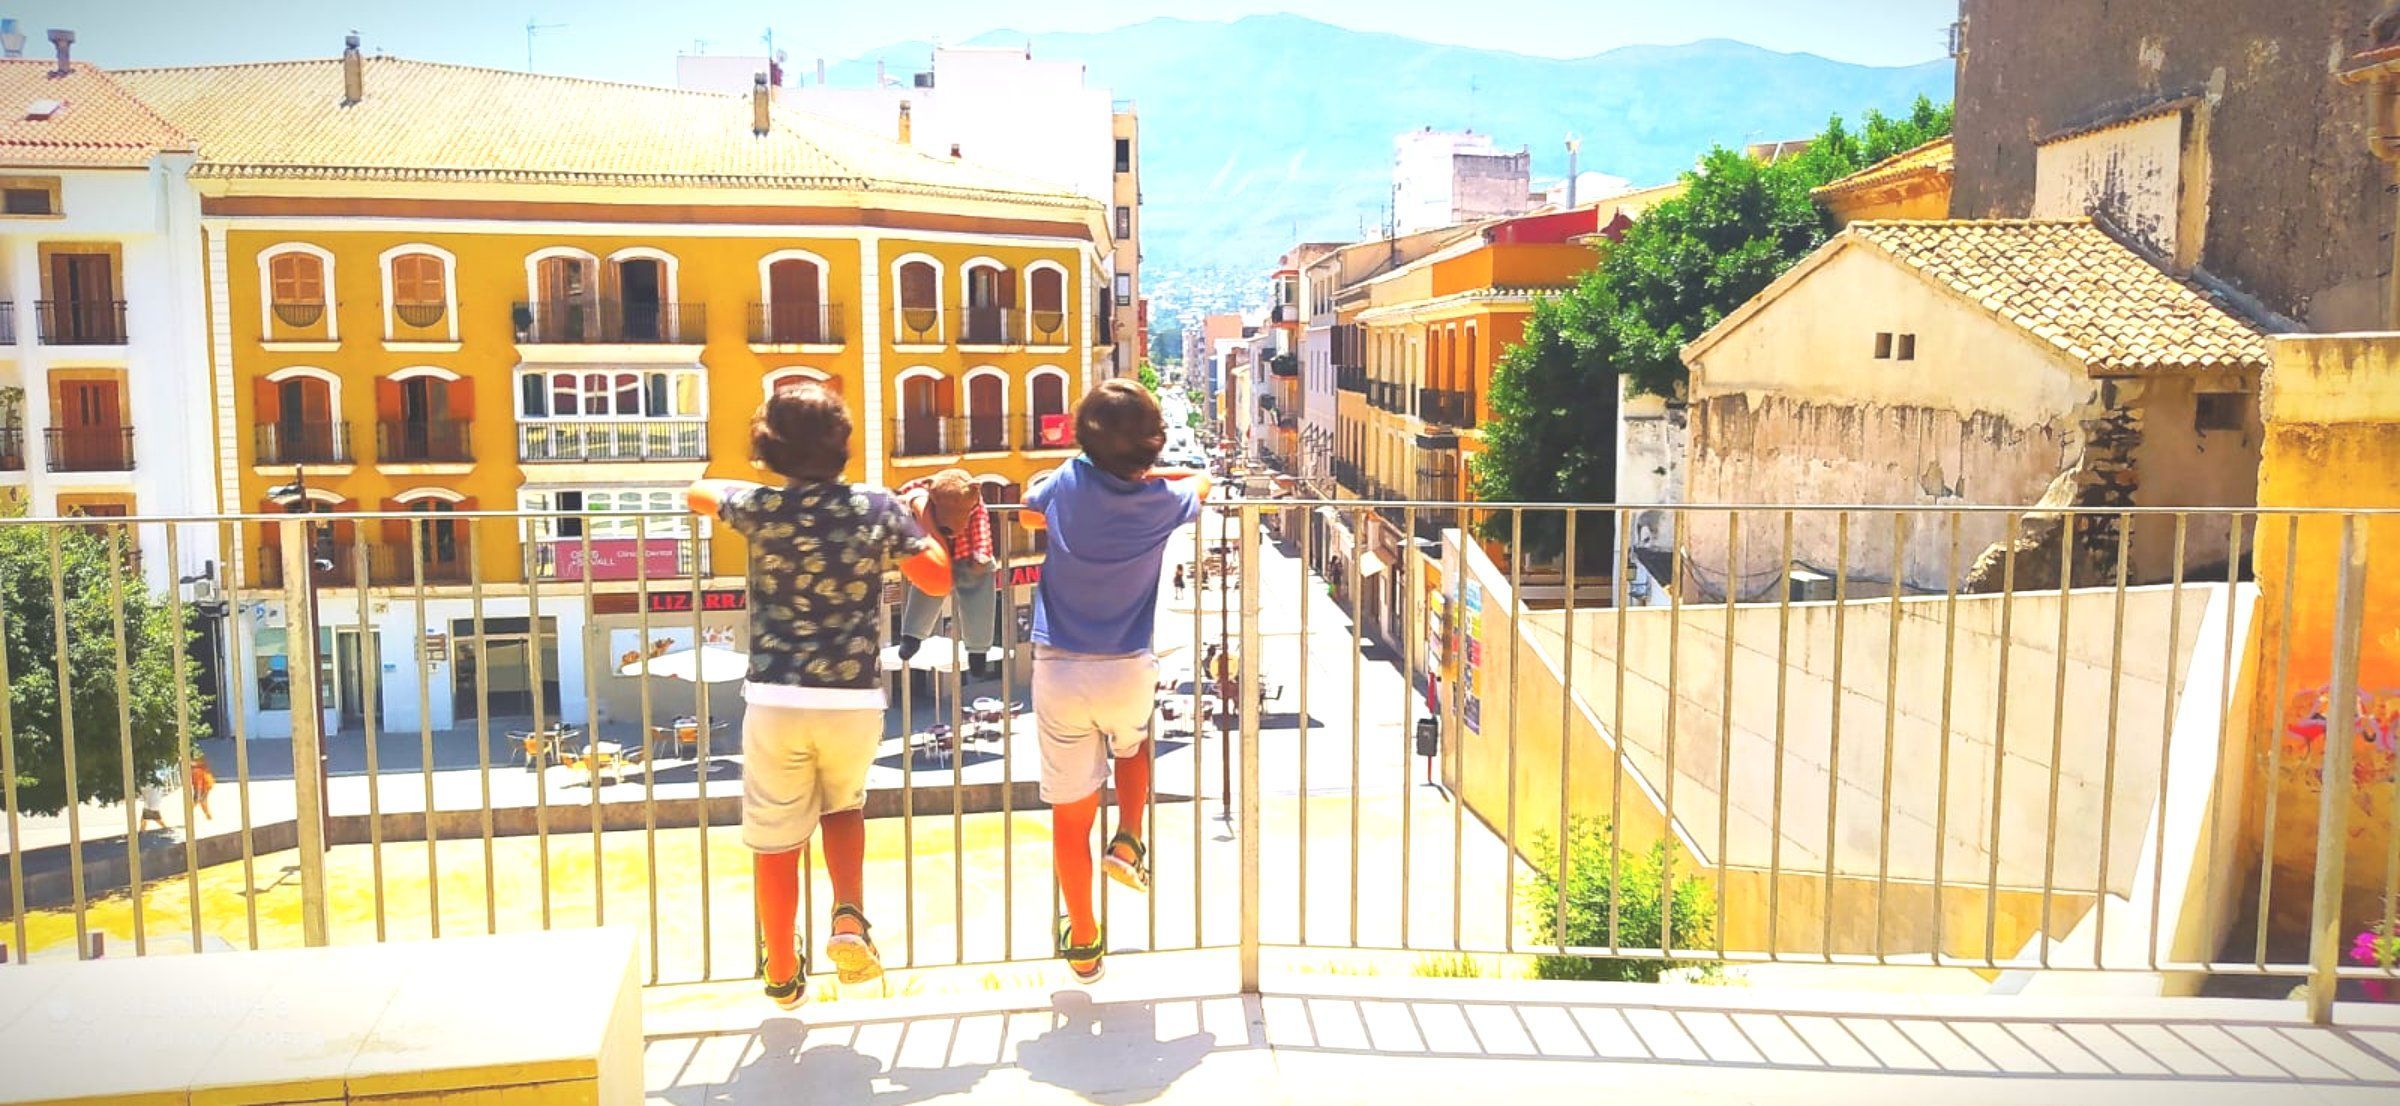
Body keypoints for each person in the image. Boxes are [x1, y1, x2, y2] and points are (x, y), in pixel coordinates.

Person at [687, 382, 953, 1008]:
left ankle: (782, 969)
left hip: (775, 699)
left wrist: (759, 488)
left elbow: (698, 490)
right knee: (843, 806)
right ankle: (848, 918)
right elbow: (938, 577)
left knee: (775, 836)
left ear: (768, 449)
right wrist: (918, 515)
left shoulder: (759, 507)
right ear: (844, 445)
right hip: (852, 700)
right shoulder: (875, 506)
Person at [1019, 379, 1210, 983]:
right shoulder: (1161, 502)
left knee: (1069, 816)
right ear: (1153, 445)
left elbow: (1027, 504)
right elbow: (1202, 485)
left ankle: (1083, 940)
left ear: (1084, 438)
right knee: (1134, 746)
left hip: (1059, 666)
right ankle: (1128, 836)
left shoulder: (1067, 481)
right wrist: (1164, 476)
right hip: (1126, 663)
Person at [894, 469, 999, 679]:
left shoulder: (975, 504)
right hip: (939, 555)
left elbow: (981, 530)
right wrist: (915, 498)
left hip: (967, 557)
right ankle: (912, 636)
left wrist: (981, 555)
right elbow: (905, 491)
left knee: (979, 601)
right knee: (926, 591)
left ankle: (978, 650)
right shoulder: (930, 490)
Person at [189, 751, 215, 821]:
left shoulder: (197, 767)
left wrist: (198, 791)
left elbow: (199, 782)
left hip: (203, 784)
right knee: (202, 800)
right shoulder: (200, 764)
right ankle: (208, 815)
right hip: (206, 783)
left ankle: (188, 814)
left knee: (198, 800)